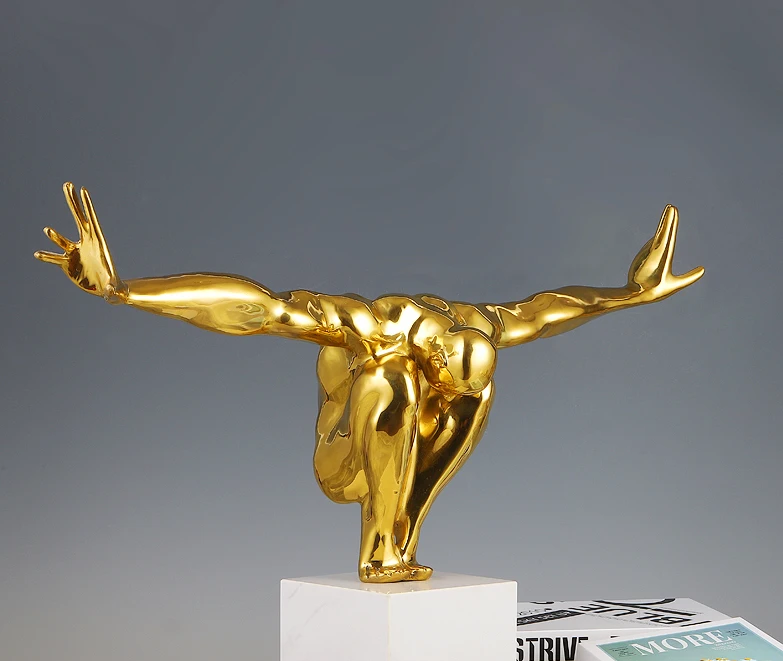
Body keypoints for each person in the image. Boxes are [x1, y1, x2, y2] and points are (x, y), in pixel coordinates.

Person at [36, 183, 704, 582]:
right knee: (393, 382)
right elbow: (257, 308)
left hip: (407, 464)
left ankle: (402, 535)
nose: (449, 391)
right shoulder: (373, 327)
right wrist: (124, 291)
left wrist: (631, 294)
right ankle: (378, 551)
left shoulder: (478, 326)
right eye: (448, 377)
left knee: (478, 396)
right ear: (435, 351)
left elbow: (551, 309)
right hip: (345, 461)